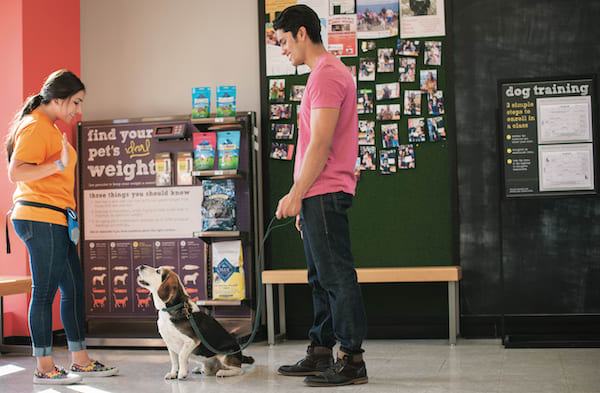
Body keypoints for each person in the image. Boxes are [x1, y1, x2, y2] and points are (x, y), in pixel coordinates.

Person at [272, 5, 368, 388]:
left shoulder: (326, 76)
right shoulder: (321, 75)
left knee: (337, 277)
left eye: (282, 41)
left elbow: (321, 143)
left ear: (300, 33)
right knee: (319, 277)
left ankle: (352, 360)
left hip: (324, 191)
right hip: (317, 194)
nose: (282, 50)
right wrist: (302, 199)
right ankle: (322, 351)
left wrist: (297, 193)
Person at [6, 70, 118, 385]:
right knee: (44, 292)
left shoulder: (49, 128)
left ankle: (79, 360)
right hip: (40, 217)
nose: (77, 110)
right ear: (57, 98)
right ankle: (43, 367)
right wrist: (56, 165)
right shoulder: (35, 127)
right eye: (75, 102)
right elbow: (16, 172)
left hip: (56, 218)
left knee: (73, 288)